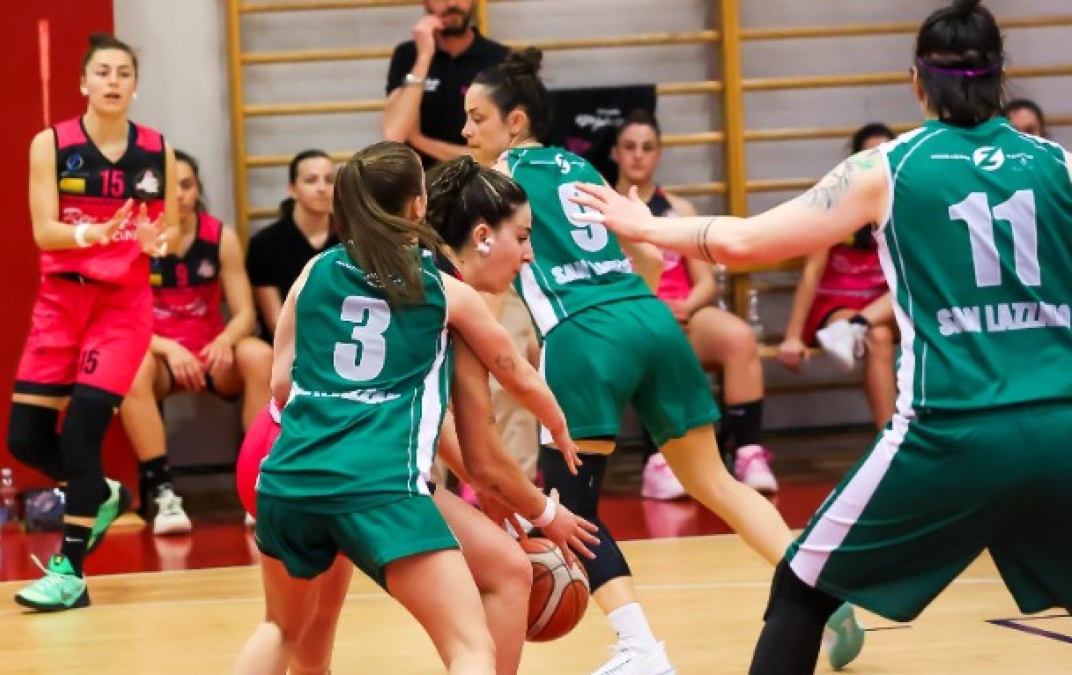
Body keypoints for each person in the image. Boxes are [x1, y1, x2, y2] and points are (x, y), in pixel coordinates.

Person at [571, 3, 1072, 673]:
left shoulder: (889, 167)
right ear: (1002, 75)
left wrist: (647, 225)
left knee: (802, 588)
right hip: (1061, 424)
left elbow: (746, 242)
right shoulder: (1058, 163)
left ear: (916, 82)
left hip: (952, 428)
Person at [461, 48, 862, 674]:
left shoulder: (495, 182)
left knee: (573, 510)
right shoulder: (580, 167)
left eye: (475, 118)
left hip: (583, 333)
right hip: (648, 317)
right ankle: (820, 596)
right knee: (716, 481)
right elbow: (647, 256)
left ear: (514, 123)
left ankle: (639, 650)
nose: (466, 132)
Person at [233, 141, 591, 675]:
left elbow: (281, 382)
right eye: (523, 238)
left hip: (283, 461)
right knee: (470, 648)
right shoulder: (443, 292)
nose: (529, 251)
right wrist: (557, 425)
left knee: (286, 631)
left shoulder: (315, 270)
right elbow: (512, 377)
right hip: (371, 476)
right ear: (417, 206)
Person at [8, 33, 172, 611]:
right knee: (24, 437)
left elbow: (164, 229)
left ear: (133, 84)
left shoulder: (156, 150)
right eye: (102, 71)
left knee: (81, 431)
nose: (112, 81)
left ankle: (70, 572)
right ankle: (100, 492)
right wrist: (90, 234)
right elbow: (42, 230)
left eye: (123, 72)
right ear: (83, 82)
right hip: (61, 301)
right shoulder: (50, 144)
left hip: (121, 308)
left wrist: (156, 243)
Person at [612, 109, 777, 499]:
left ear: (658, 155)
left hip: (683, 310)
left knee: (737, 337)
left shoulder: (680, 211)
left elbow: (704, 282)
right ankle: (660, 461)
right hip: (632, 315)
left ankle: (748, 454)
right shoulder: (601, 212)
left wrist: (685, 306)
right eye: (629, 147)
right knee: (661, 339)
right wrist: (653, 309)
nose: (638, 155)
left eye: (647, 148)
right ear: (616, 154)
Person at [119, 150, 274, 535]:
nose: (180, 195)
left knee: (259, 354)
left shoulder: (220, 237)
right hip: (162, 356)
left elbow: (245, 315)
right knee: (129, 368)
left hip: (212, 354)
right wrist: (168, 348)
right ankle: (163, 491)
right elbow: (123, 316)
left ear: (198, 189)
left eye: (186, 185)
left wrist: (225, 339)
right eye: (170, 187)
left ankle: (261, 485)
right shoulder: (139, 239)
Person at [777, 123, 899, 429]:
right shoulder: (836, 203)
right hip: (839, 303)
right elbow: (812, 270)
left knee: (910, 297)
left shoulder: (906, 201)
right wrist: (792, 336)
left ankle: (855, 327)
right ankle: (889, 441)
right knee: (879, 337)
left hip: (886, 303)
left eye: (886, 155)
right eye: (871, 156)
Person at [382, 0, 508, 166]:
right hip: (420, 183)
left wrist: (420, 141)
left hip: (480, 181)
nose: (452, 3)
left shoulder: (500, 59)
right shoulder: (407, 56)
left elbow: (497, 155)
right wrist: (424, 57)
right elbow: (394, 135)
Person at [246, 150, 338, 340]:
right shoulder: (265, 244)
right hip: (290, 345)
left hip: (341, 342)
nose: (322, 188)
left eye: (329, 180)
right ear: (292, 189)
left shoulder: (352, 239)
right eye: (311, 180)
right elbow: (275, 321)